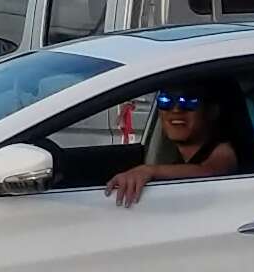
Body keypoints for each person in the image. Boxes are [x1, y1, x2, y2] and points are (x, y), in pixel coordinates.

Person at [103, 80, 242, 207]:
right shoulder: (177, 160)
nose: (176, 109)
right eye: (166, 101)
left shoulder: (223, 149)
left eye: (188, 101)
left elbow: (213, 172)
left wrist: (150, 170)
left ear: (212, 111)